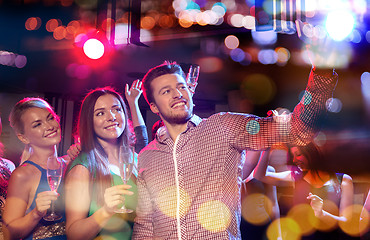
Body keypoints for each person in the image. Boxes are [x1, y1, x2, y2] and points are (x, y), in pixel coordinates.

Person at [132, 55, 338, 239]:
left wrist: (322, 70)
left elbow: (298, 130)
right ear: (153, 106)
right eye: (166, 91)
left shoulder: (223, 127)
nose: (177, 94)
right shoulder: (147, 157)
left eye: (181, 86)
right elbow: (145, 226)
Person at [65, 80, 148, 240]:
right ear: (89, 121)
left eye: (116, 109)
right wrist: (106, 210)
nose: (111, 117)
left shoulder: (136, 159)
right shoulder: (83, 168)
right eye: (100, 113)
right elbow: (73, 234)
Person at [253, 144, 354, 239]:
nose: (294, 160)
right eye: (293, 156)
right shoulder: (296, 176)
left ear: (312, 151)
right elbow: (259, 175)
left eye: (298, 154)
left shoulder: (343, 180)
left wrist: (321, 213)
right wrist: (267, 147)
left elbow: (346, 223)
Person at [3, 98, 68, 240]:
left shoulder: (71, 165)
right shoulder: (23, 174)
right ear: (23, 137)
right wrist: (36, 214)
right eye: (37, 125)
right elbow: (9, 234)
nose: (49, 126)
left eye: (50, 118)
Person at [240, 151, 281, 240]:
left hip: (263, 227)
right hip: (241, 228)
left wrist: (278, 234)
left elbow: (273, 203)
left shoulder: (268, 171)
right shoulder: (235, 172)